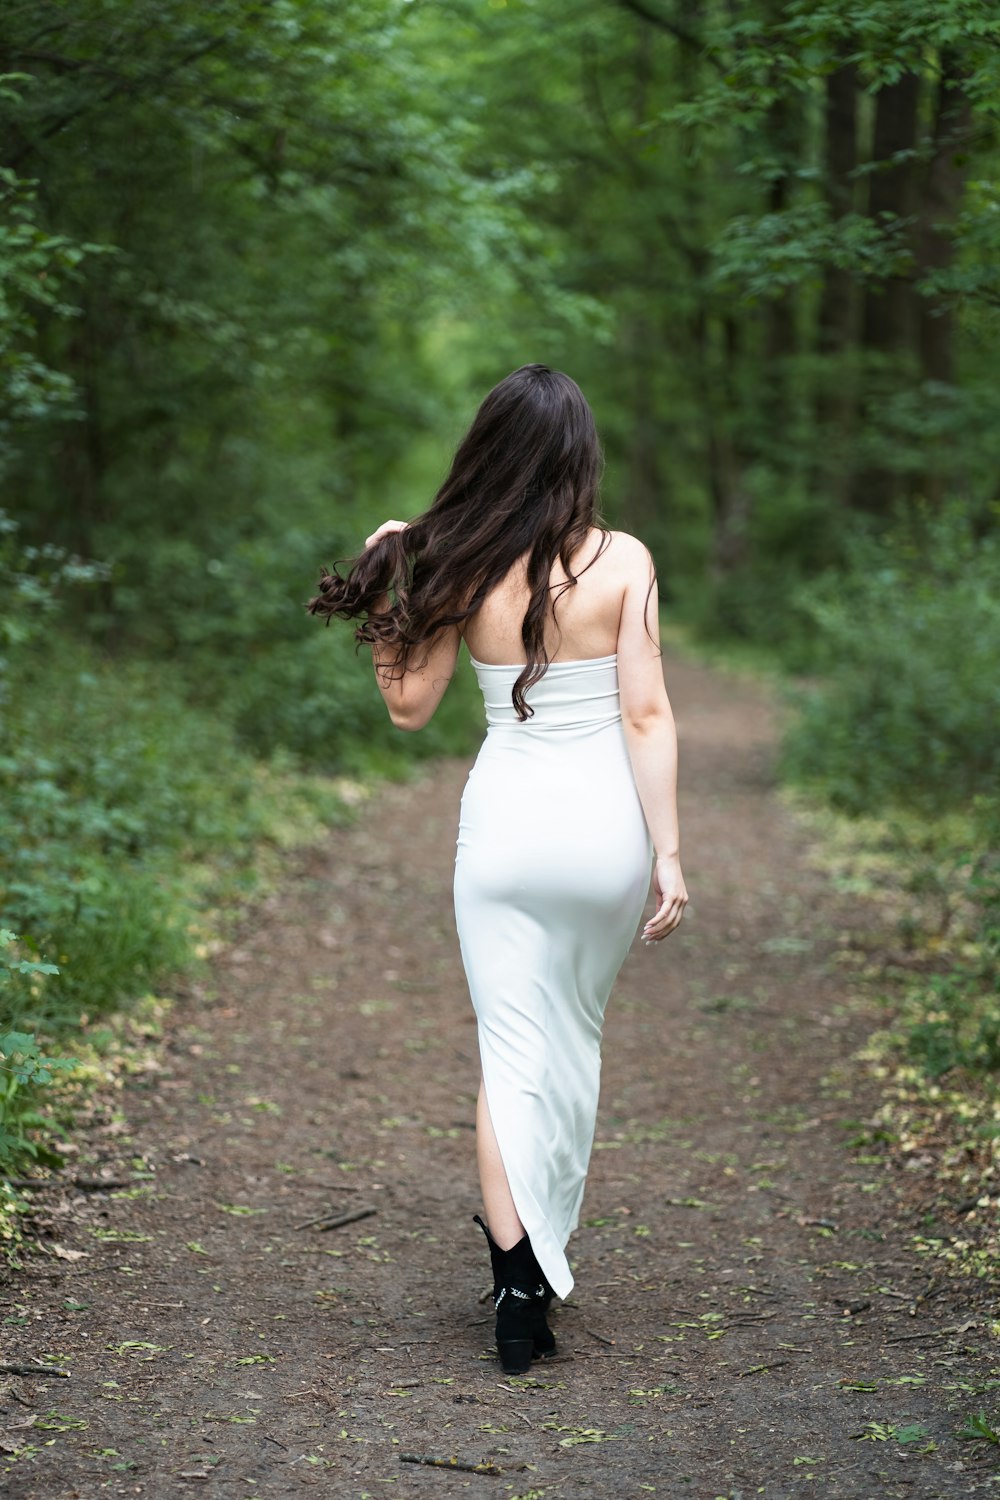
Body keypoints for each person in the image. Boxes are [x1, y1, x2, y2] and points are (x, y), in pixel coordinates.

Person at [308, 364, 687, 1373]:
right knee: (568, 1046)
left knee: (512, 1055)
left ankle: (518, 1288)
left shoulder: (459, 562)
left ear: (487, 451)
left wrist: (393, 574)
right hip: (601, 835)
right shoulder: (624, 561)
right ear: (579, 458)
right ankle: (536, 1260)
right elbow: (646, 713)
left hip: (503, 836)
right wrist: (670, 852)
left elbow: (407, 708)